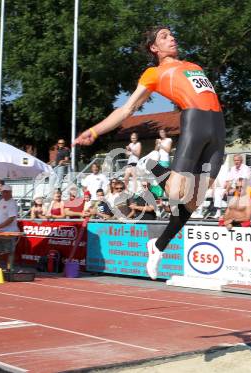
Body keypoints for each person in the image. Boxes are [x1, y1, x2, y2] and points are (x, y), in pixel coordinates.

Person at [74, 26, 225, 280]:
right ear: (154, 48)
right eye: (164, 37)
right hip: (195, 122)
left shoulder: (194, 66)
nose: (172, 38)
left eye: (172, 34)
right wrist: (96, 131)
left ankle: (157, 247)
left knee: (191, 203)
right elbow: (127, 109)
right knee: (177, 193)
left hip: (219, 127)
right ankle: (153, 164)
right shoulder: (154, 73)